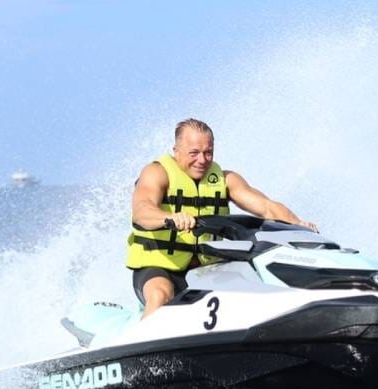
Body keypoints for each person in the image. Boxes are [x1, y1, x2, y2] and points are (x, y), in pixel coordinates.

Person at [126, 118, 317, 317]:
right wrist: (169, 218)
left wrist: (297, 225)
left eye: (208, 152)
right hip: (160, 268)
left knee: (256, 290)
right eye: (194, 153)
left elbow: (267, 207)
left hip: (208, 270)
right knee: (160, 295)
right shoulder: (156, 172)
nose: (202, 160)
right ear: (176, 151)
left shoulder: (226, 180)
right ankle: (149, 345)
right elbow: (142, 210)